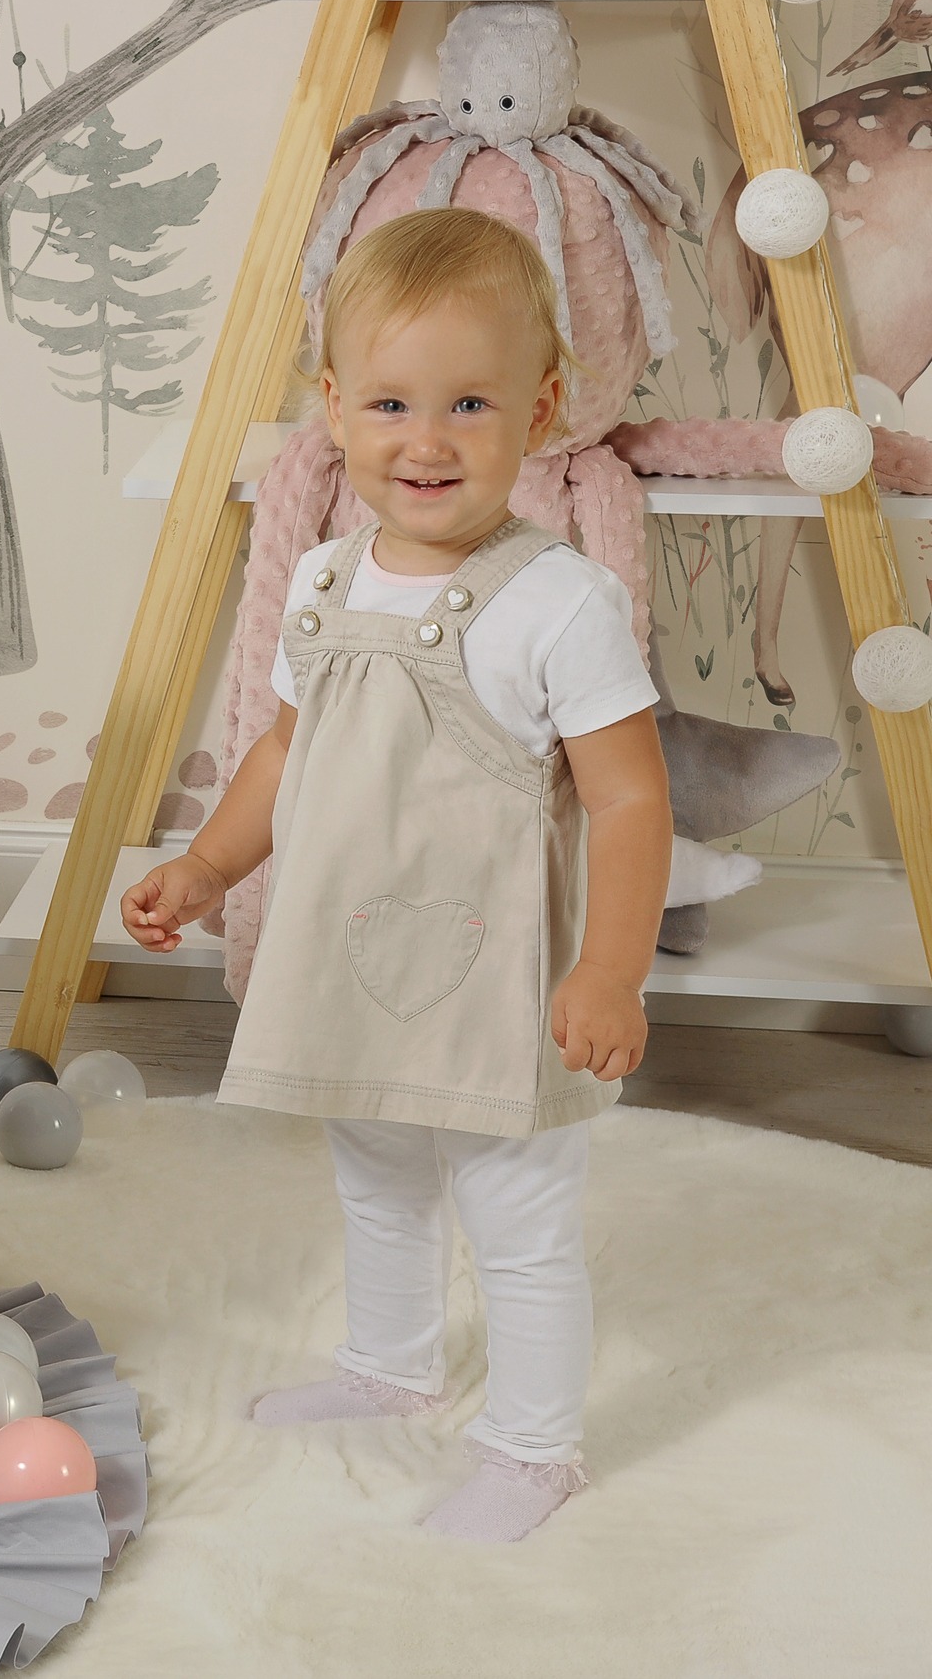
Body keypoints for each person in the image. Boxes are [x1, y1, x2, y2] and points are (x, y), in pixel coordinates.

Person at [122, 207, 672, 1543]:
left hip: (499, 977)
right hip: (358, 953)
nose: (428, 441)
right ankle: (390, 1363)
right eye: (390, 403)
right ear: (335, 409)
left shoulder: (560, 603)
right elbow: (287, 750)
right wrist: (206, 866)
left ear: (541, 410)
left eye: (470, 403)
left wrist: (610, 969)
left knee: (514, 1207)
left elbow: (629, 797)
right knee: (374, 1168)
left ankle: (534, 1449)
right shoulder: (323, 580)